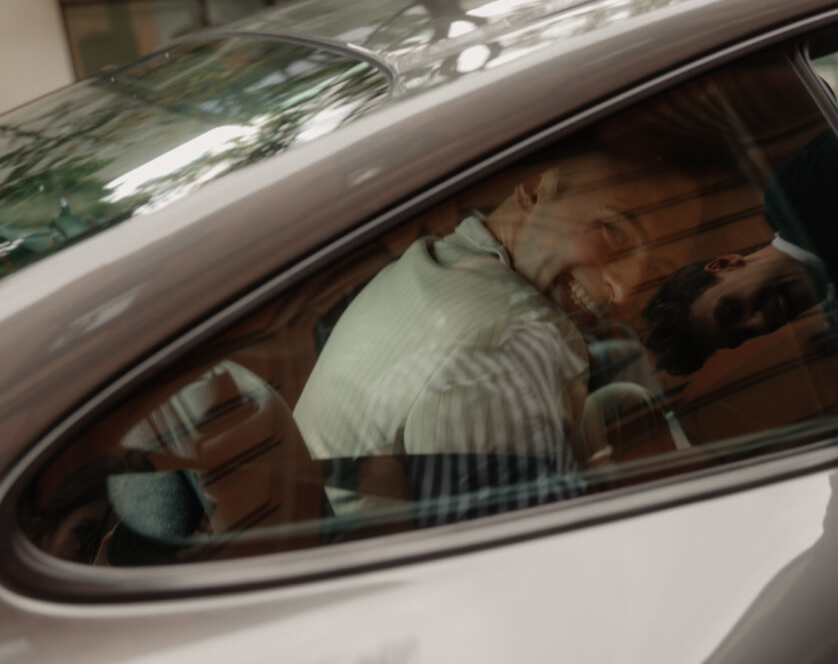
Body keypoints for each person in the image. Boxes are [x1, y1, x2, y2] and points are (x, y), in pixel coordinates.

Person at [294, 152, 692, 516]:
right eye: (613, 232)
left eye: (656, 273)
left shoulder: (425, 266)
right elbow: (511, 545)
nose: (626, 289)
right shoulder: (522, 335)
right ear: (534, 190)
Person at [643, 130, 838, 376]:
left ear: (725, 264)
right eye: (743, 336)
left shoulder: (799, 194)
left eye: (732, 311)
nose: (761, 322)